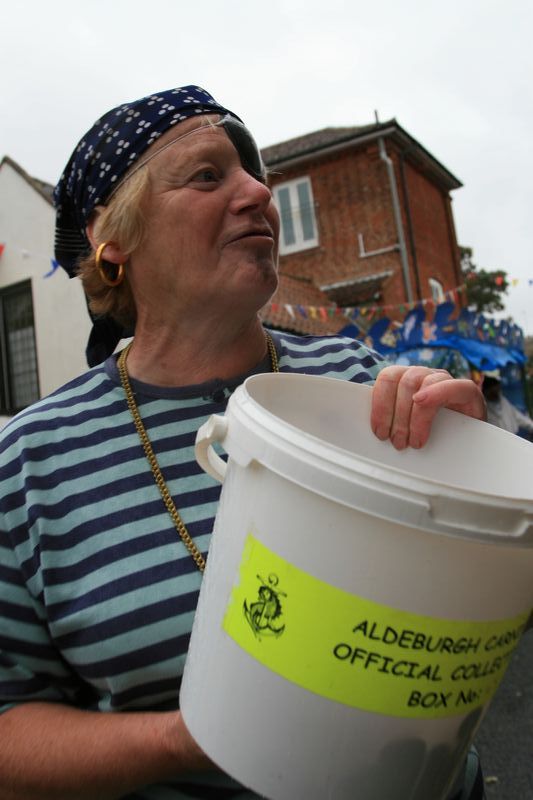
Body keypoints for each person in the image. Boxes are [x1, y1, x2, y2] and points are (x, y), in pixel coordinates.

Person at [0, 85, 487, 800]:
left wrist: (481, 484)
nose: (259, 191)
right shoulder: (29, 463)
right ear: (115, 243)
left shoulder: (368, 388)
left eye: (252, 172)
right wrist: (193, 734)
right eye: (206, 175)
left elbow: (486, 617)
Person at [482, 370, 533, 438]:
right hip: (497, 442)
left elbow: (520, 418)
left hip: (514, 437)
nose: (497, 391)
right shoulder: (484, 408)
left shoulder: (504, 401)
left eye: (498, 388)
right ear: (486, 391)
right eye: (493, 390)